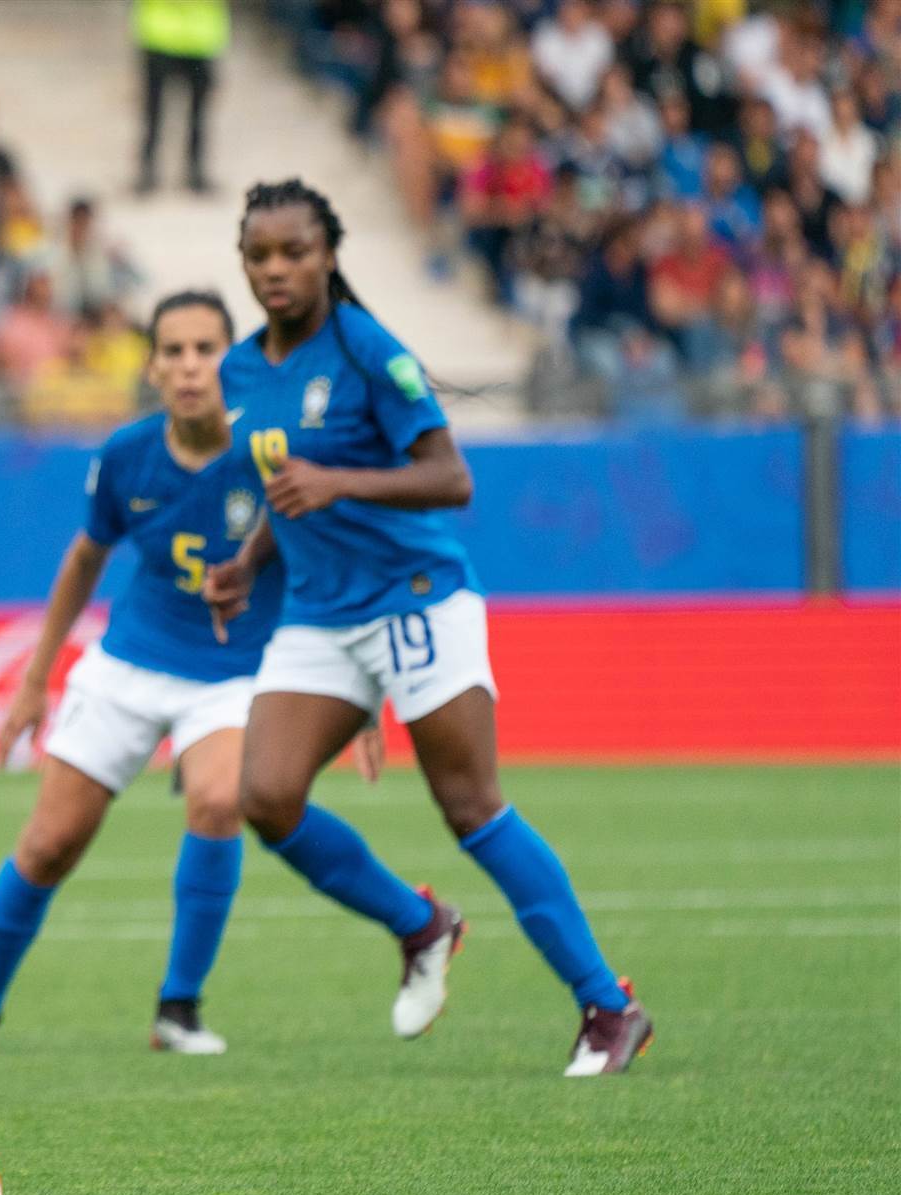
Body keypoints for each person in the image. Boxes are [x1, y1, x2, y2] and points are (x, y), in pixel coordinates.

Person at [206, 179, 652, 1078]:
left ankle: (609, 1004)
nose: (276, 269)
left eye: (294, 251)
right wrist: (250, 563)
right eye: (259, 255)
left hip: (414, 596)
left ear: (329, 254)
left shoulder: (370, 350)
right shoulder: (241, 370)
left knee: (469, 804)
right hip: (320, 612)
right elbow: (284, 487)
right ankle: (423, 923)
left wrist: (340, 483)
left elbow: (451, 478)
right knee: (267, 796)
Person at [0, 291, 383, 1059]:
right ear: (151, 365)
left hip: (237, 673)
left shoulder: (274, 451)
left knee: (217, 799)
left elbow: (330, 560)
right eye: (172, 350)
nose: (188, 366)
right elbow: (84, 559)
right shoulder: (126, 455)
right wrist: (36, 677)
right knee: (50, 843)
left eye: (205, 348)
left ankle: (179, 1008)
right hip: (130, 663)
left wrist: (358, 692)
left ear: (231, 360)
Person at [133, 0, 229, 195]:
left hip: (199, 36)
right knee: (154, 112)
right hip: (160, 34)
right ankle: (148, 169)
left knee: (198, 114)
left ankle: (195, 170)